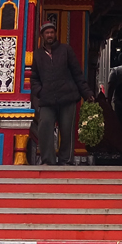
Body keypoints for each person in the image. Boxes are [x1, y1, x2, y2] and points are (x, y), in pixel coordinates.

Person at [30, 21, 92, 165]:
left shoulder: (65, 50)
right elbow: (34, 78)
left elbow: (77, 73)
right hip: (47, 99)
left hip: (67, 97)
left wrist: (87, 93)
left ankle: (66, 161)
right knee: (44, 126)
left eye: (52, 32)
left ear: (55, 34)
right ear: (42, 36)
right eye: (47, 33)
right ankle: (48, 161)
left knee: (67, 131)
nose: (50, 35)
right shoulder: (38, 55)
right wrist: (40, 91)